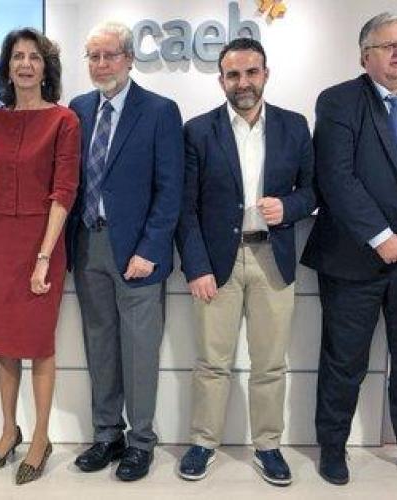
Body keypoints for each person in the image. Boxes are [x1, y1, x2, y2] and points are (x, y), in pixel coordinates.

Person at [175, 38, 315, 486]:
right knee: (212, 362)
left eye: (251, 72)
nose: (243, 82)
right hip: (217, 264)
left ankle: (268, 446)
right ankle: (203, 442)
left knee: (270, 364)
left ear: (265, 74)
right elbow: (185, 208)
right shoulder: (198, 130)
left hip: (273, 259)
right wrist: (196, 266)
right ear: (221, 80)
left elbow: (313, 191)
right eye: (233, 75)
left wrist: (289, 208)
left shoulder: (295, 126)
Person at [66, 21, 184, 482]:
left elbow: (170, 189)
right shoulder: (78, 109)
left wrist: (151, 248)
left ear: (130, 59)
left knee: (139, 351)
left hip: (138, 253)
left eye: (110, 55)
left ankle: (141, 442)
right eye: (93, 57)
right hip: (88, 245)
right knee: (99, 345)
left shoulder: (159, 111)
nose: (101, 65)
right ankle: (107, 435)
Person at [0, 28, 80, 485]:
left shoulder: (64, 120)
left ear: (45, 67)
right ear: (7, 67)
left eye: (34, 57)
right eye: (17, 56)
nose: (25, 64)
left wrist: (43, 256)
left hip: (42, 242)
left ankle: (40, 437)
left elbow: (64, 192)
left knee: (38, 345)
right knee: (3, 343)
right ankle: (8, 431)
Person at [301, 11, 397, 486]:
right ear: (365, 56)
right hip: (353, 257)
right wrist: (382, 237)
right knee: (345, 362)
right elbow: (336, 178)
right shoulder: (339, 101)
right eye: (389, 46)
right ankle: (333, 448)